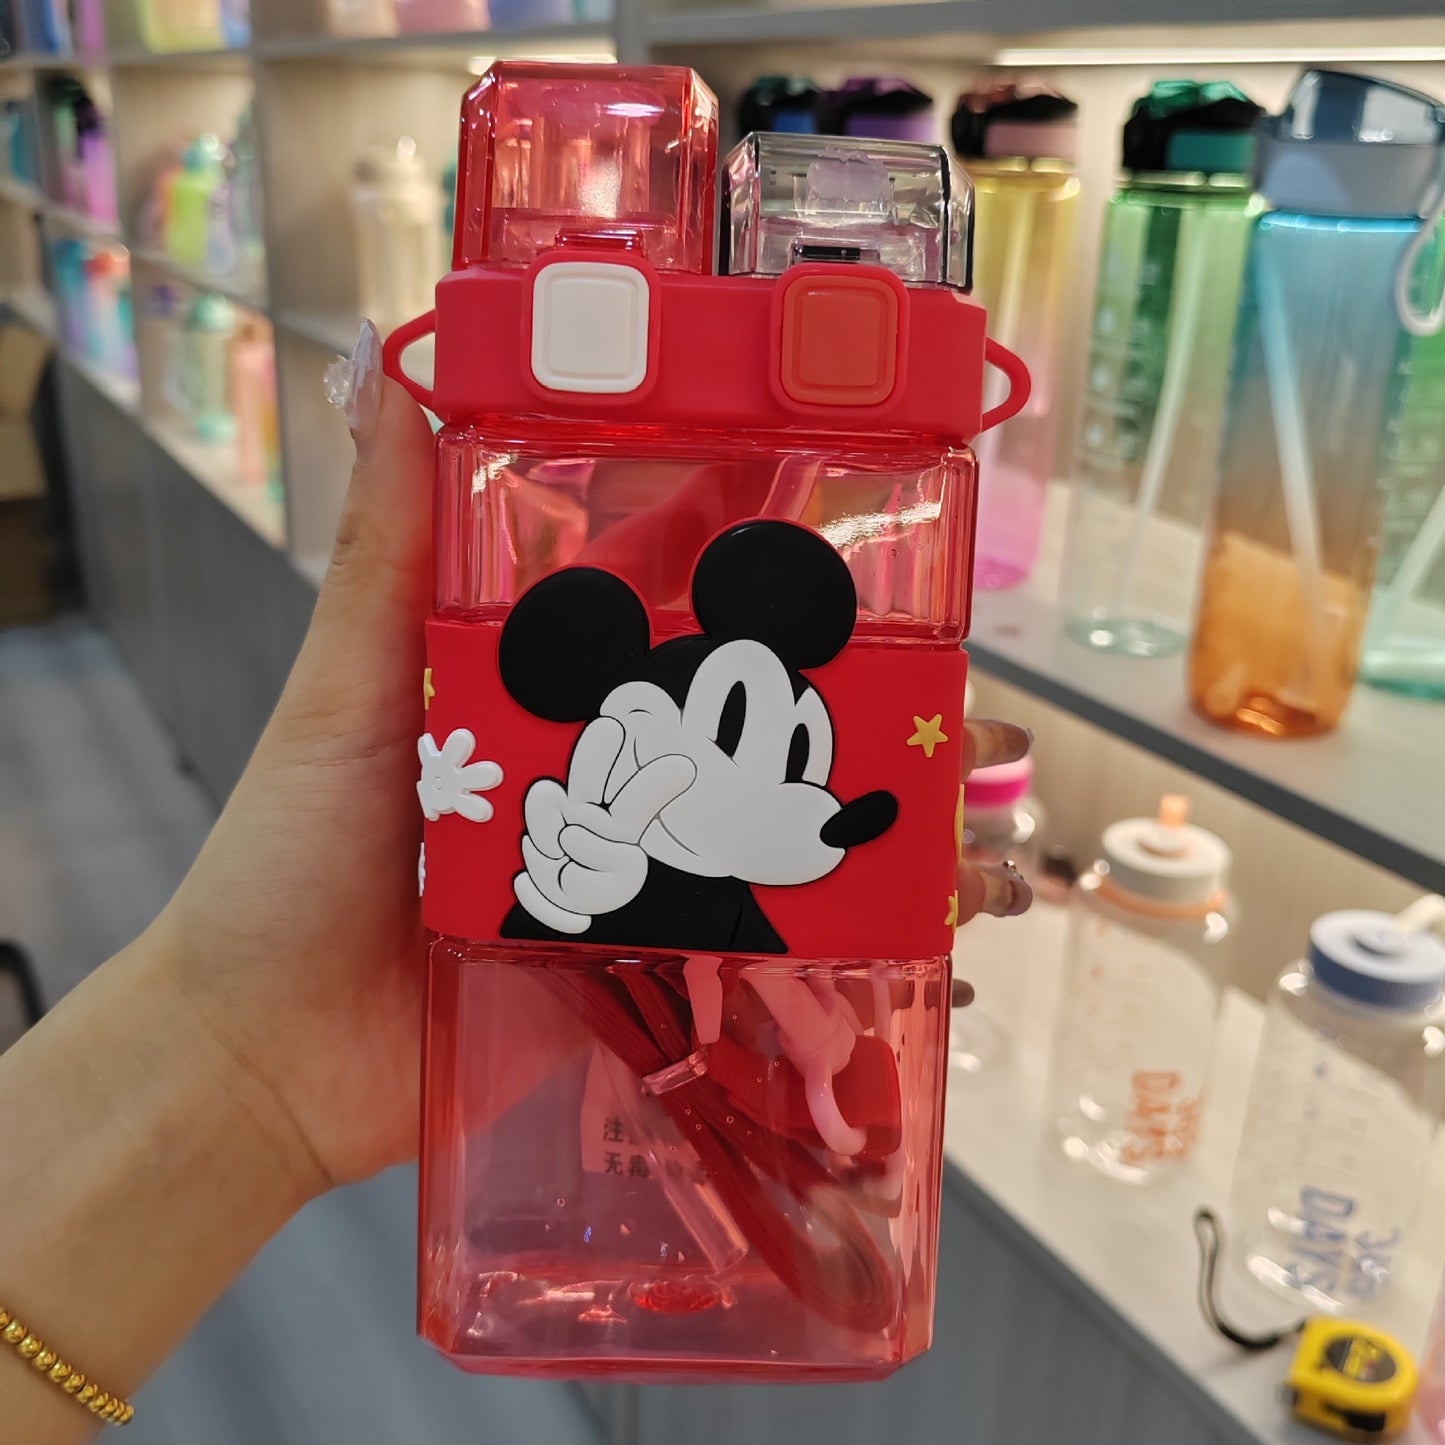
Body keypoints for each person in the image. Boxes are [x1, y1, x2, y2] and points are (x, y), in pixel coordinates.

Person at [0, 322, 1033, 1441]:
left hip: (687, 1016)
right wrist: (235, 1050)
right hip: (532, 1028)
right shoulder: (589, 798)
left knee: (831, 1024)